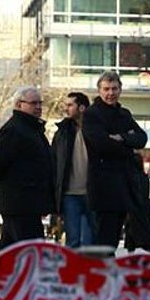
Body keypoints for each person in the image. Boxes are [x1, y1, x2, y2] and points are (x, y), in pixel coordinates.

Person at [83, 71, 149, 249]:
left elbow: (142, 138)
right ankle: (102, 273)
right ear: (99, 90)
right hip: (103, 185)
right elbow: (101, 144)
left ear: (120, 90)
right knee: (104, 237)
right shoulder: (91, 115)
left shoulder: (124, 114)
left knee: (113, 238)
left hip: (124, 185)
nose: (110, 93)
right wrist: (128, 142)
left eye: (114, 89)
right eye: (106, 89)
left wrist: (120, 138)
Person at [0, 86, 54, 257]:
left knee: (7, 246)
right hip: (20, 201)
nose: (38, 107)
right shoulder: (15, 129)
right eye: (33, 103)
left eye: (40, 103)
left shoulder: (32, 129)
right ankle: (31, 281)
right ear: (19, 104)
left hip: (28, 201)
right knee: (33, 248)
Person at [52, 91, 94, 248]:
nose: (66, 108)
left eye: (70, 105)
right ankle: (73, 272)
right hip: (70, 195)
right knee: (73, 241)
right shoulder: (62, 132)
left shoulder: (95, 129)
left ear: (82, 108)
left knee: (91, 243)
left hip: (93, 193)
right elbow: (54, 162)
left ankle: (89, 272)